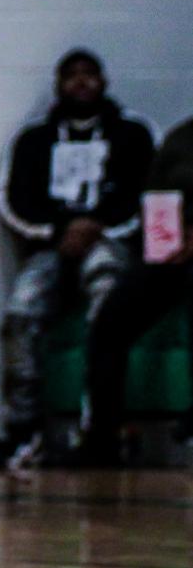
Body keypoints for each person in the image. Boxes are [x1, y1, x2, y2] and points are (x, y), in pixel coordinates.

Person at [0, 48, 154, 465]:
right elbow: (11, 200)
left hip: (111, 240)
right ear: (58, 84)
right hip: (50, 244)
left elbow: (148, 196)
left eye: (90, 74)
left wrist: (100, 227)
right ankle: (23, 432)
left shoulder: (134, 133)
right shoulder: (33, 139)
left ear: (104, 81)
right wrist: (56, 231)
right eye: (72, 75)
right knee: (20, 312)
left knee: (109, 301)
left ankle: (98, 425)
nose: (81, 82)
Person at [85, 115, 193, 461]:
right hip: (172, 255)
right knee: (110, 319)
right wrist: (169, 233)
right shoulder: (182, 136)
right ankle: (104, 434)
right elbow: (155, 193)